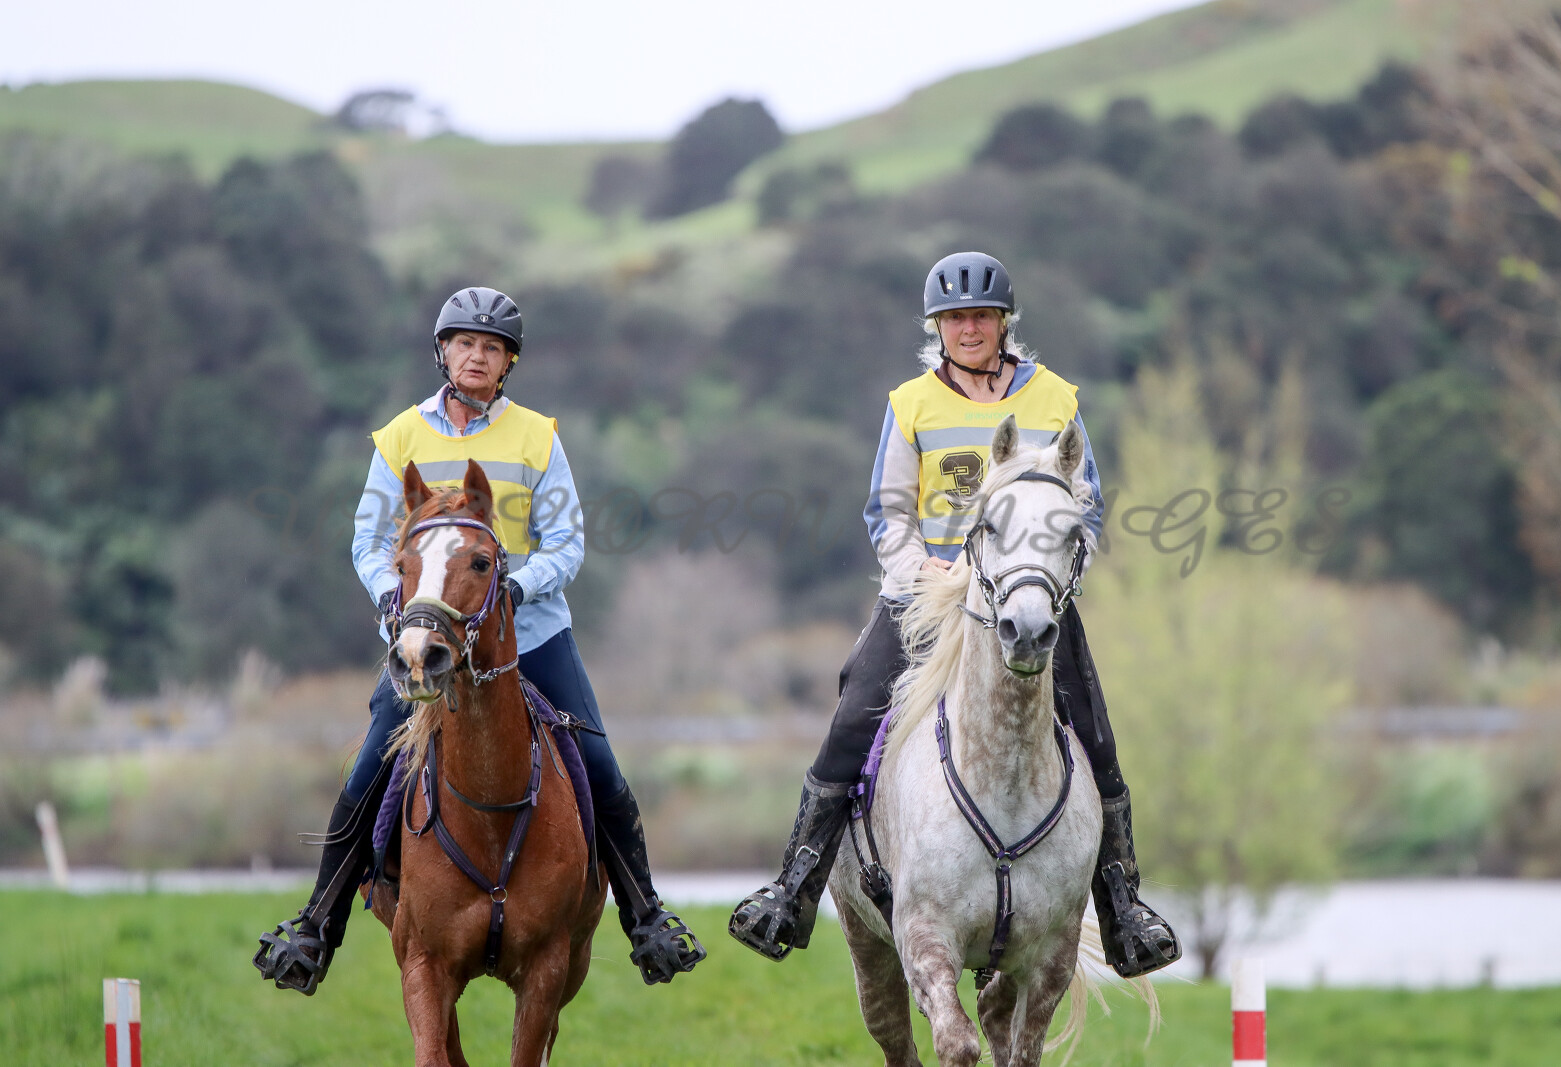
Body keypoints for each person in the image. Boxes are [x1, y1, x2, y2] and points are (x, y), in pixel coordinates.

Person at [727, 252, 1182, 978]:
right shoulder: (911, 404)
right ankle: (793, 889)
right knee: (854, 714)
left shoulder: (1056, 398)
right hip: (929, 600)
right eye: (955, 319)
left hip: (1029, 597)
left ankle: (1123, 908)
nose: (969, 329)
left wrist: (1050, 577)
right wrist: (924, 573)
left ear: (1004, 323)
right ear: (936, 328)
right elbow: (888, 512)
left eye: (981, 317)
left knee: (1095, 736)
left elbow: (1087, 505)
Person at [256, 286, 705, 993]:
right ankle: (317, 926)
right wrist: (393, 600)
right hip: (428, 639)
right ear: (442, 351)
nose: (477, 356)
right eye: (464, 343)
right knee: (370, 766)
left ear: (508, 363)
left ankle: (646, 920)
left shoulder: (537, 437)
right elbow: (368, 541)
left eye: (492, 348)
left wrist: (516, 590)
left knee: (598, 762)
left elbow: (567, 543)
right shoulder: (400, 437)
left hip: (529, 635)